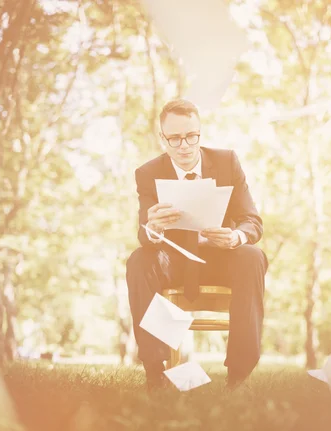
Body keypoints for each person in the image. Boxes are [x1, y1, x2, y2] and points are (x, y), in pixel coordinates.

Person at [125, 99, 268, 390]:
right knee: (139, 260)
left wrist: (235, 237)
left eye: (191, 136)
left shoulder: (227, 161)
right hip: (174, 262)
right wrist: (152, 228)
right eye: (175, 138)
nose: (184, 146)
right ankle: (155, 370)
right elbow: (145, 235)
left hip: (221, 260)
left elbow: (252, 221)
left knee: (252, 256)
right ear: (162, 138)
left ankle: (238, 375)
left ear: (200, 133)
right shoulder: (148, 173)